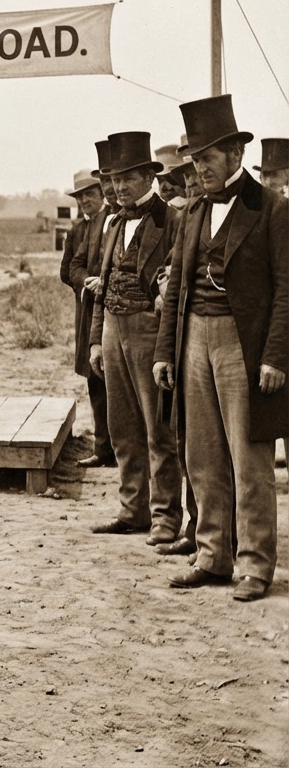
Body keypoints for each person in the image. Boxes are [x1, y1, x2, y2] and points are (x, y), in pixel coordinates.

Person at [155, 95, 289, 602]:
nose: (199, 168)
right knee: (202, 454)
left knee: (250, 458)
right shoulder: (190, 213)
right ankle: (214, 555)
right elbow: (177, 290)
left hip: (245, 344)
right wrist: (164, 351)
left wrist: (276, 355)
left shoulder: (272, 209)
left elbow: (287, 289)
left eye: (208, 157)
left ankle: (255, 564)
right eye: (194, 160)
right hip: (194, 338)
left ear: (235, 154)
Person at [87, 131, 185, 545]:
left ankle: (165, 517)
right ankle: (133, 510)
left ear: (149, 176)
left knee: (159, 429)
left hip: (149, 329)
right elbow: (102, 285)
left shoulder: (173, 220)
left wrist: (165, 345)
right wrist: (96, 340)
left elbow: (175, 290)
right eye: (115, 179)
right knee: (122, 426)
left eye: (129, 178)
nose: (120, 186)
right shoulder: (112, 223)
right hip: (112, 328)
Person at [58, 166, 114, 465]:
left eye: (90, 195)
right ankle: (104, 449)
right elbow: (67, 270)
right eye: (80, 198)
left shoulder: (112, 222)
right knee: (95, 380)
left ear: (102, 193)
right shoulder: (77, 230)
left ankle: (124, 449)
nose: (85, 202)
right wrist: (85, 282)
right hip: (87, 312)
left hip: (113, 312)